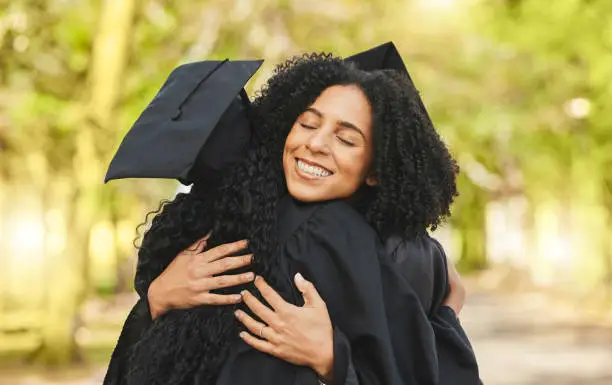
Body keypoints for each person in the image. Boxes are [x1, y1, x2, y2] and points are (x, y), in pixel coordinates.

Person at [104, 53, 474, 385]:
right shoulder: (248, 220)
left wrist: (330, 359)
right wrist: (158, 299)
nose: (315, 144)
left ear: (376, 170)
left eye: (346, 140)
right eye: (308, 124)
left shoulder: (391, 249)